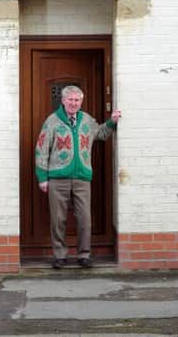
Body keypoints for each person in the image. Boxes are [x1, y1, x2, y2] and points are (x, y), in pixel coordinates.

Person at [35, 85, 121, 269]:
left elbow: (101, 133)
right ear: (63, 101)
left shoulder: (86, 120)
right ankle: (59, 255)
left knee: (85, 218)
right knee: (58, 219)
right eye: (70, 100)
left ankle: (84, 254)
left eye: (77, 100)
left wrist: (112, 121)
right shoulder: (52, 121)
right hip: (58, 178)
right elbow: (41, 148)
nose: (74, 103)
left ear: (80, 102)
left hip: (82, 177)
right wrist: (42, 177)